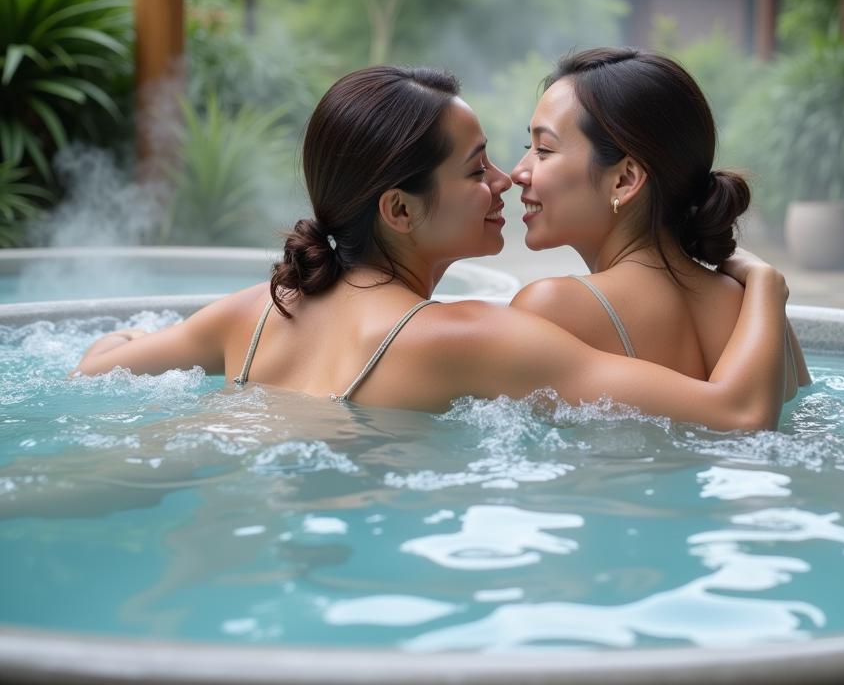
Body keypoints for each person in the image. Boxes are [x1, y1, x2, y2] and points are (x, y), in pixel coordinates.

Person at [75, 65, 792, 431]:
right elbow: (730, 415)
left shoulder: (252, 314)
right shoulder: (472, 335)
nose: (506, 179)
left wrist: (132, 337)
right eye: (476, 168)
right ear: (399, 209)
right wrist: (765, 287)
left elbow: (96, 368)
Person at [510, 47, 811, 392]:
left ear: (624, 180)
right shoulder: (756, 312)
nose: (518, 172)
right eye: (527, 149)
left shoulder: (551, 308)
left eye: (544, 150)